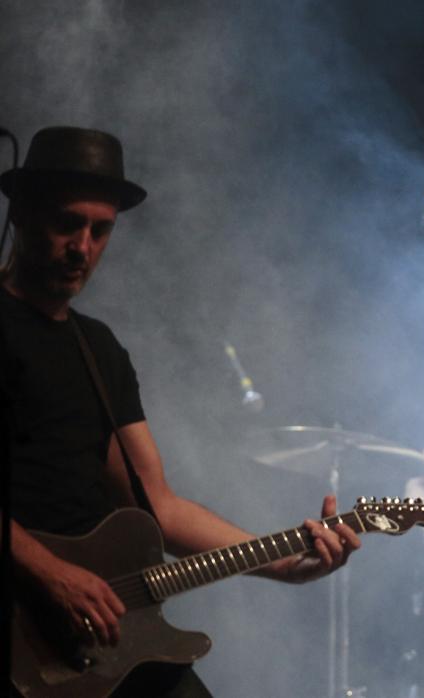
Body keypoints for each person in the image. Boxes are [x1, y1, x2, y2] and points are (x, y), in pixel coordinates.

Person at [0, 126, 360, 696]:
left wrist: (286, 564)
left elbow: (158, 507)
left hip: (97, 634)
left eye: (101, 231)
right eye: (68, 223)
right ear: (20, 214)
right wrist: (50, 572)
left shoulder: (98, 350)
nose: (83, 248)